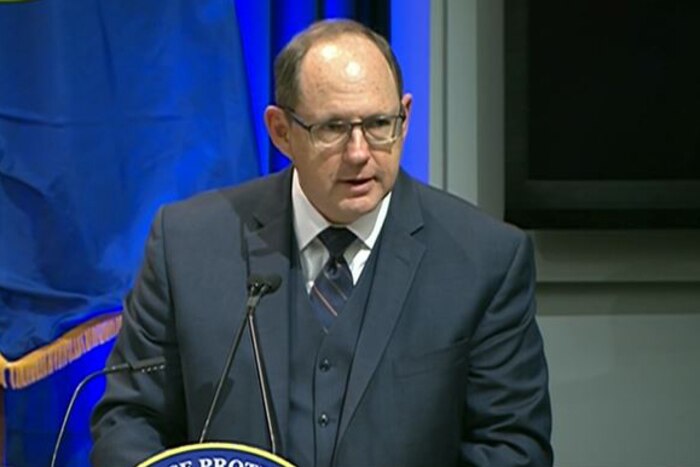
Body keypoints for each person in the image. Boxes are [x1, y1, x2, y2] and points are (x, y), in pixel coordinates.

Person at [91, 19, 552, 467]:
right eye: (332, 129)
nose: (359, 153)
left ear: (405, 118)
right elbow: (130, 421)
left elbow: (511, 449)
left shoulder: (484, 260)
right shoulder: (188, 245)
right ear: (281, 131)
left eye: (378, 124)